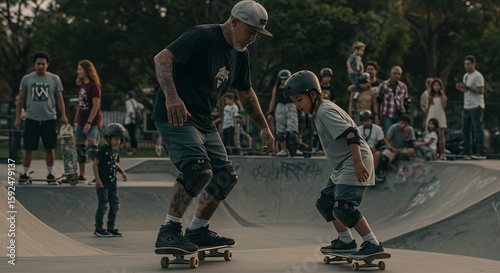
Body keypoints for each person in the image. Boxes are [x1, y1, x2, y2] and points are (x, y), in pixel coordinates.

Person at [151, 0, 275, 253]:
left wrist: (264, 127)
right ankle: (169, 231)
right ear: (234, 22)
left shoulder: (241, 54)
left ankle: (198, 230)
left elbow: (246, 92)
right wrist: (172, 97)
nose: (252, 38)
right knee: (198, 169)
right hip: (177, 115)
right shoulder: (202, 36)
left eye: (256, 34)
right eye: (250, 31)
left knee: (225, 177)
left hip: (205, 120)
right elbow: (162, 57)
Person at [284, 70, 384, 256]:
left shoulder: (325, 111)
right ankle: (346, 241)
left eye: (299, 99)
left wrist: (357, 163)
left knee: (343, 207)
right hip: (343, 165)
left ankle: (372, 244)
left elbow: (351, 134)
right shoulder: (319, 110)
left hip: (354, 160)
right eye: (294, 101)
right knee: (325, 202)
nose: (297, 105)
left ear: (313, 95)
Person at [15, 51, 68, 185]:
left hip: (49, 118)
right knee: (28, 147)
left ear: (47, 65)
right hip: (31, 118)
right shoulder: (27, 79)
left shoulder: (54, 79)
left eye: (43, 64)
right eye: (38, 64)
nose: (40, 66)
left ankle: (50, 173)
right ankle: (25, 173)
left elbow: (59, 98)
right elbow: (20, 100)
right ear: (34, 64)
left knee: (49, 147)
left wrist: (64, 115)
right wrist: (17, 118)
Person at [92, 123, 128, 237]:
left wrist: (122, 172)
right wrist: (98, 180)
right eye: (115, 139)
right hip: (103, 184)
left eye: (119, 140)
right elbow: (95, 164)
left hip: (113, 184)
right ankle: (98, 228)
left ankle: (110, 227)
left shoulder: (115, 150)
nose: (117, 142)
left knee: (115, 205)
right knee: (103, 205)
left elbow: (114, 163)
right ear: (108, 138)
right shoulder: (103, 149)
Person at [74, 59, 103, 184]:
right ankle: (82, 175)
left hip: (93, 122)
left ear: (87, 70)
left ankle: (99, 176)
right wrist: (76, 119)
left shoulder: (94, 86)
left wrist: (89, 123)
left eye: (80, 69)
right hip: (81, 121)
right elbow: (80, 105)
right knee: (80, 147)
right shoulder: (82, 86)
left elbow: (96, 106)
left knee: (92, 148)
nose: (78, 71)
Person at [455, 55, 486, 160]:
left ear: (473, 64)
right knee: (465, 129)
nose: (466, 66)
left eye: (468, 64)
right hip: (466, 105)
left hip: (476, 105)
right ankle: (467, 150)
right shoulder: (465, 76)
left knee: (477, 129)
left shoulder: (478, 76)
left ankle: (481, 151)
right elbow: (466, 91)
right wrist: (461, 88)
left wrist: (468, 87)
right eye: (465, 64)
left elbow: (481, 91)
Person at [267, 69, 299, 157]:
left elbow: (297, 98)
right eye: (282, 79)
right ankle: (284, 149)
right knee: (280, 132)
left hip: (291, 106)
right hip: (280, 107)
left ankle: (294, 149)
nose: (284, 81)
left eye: (285, 79)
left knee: (292, 131)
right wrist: (270, 112)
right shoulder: (276, 88)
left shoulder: (292, 87)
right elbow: (273, 99)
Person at [377, 66, 410, 134]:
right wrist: (378, 114)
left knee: (399, 133)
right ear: (391, 73)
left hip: (399, 114)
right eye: (395, 73)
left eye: (398, 74)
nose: (396, 76)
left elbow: (406, 100)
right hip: (387, 113)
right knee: (388, 132)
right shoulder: (383, 85)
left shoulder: (403, 86)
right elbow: (379, 100)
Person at [358, 110, 384, 181]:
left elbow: (381, 141)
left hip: (374, 148)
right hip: (363, 149)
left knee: (378, 154)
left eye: (368, 120)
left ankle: (372, 173)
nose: (366, 122)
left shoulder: (377, 129)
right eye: (364, 121)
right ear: (362, 121)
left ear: (371, 120)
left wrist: (375, 148)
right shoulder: (358, 129)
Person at [426, 78, 447, 160]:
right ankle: (431, 153)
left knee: (441, 135)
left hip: (440, 113)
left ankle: (443, 153)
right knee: (430, 134)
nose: (436, 87)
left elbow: (444, 105)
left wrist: (442, 95)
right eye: (435, 85)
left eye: (438, 85)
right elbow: (429, 106)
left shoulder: (443, 96)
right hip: (432, 113)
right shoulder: (430, 96)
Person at [124, 90, 145, 155]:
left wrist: (131, 117)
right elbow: (142, 107)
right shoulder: (134, 101)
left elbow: (130, 111)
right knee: (133, 135)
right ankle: (134, 149)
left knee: (129, 135)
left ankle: (132, 149)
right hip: (134, 121)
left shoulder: (128, 102)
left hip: (129, 121)